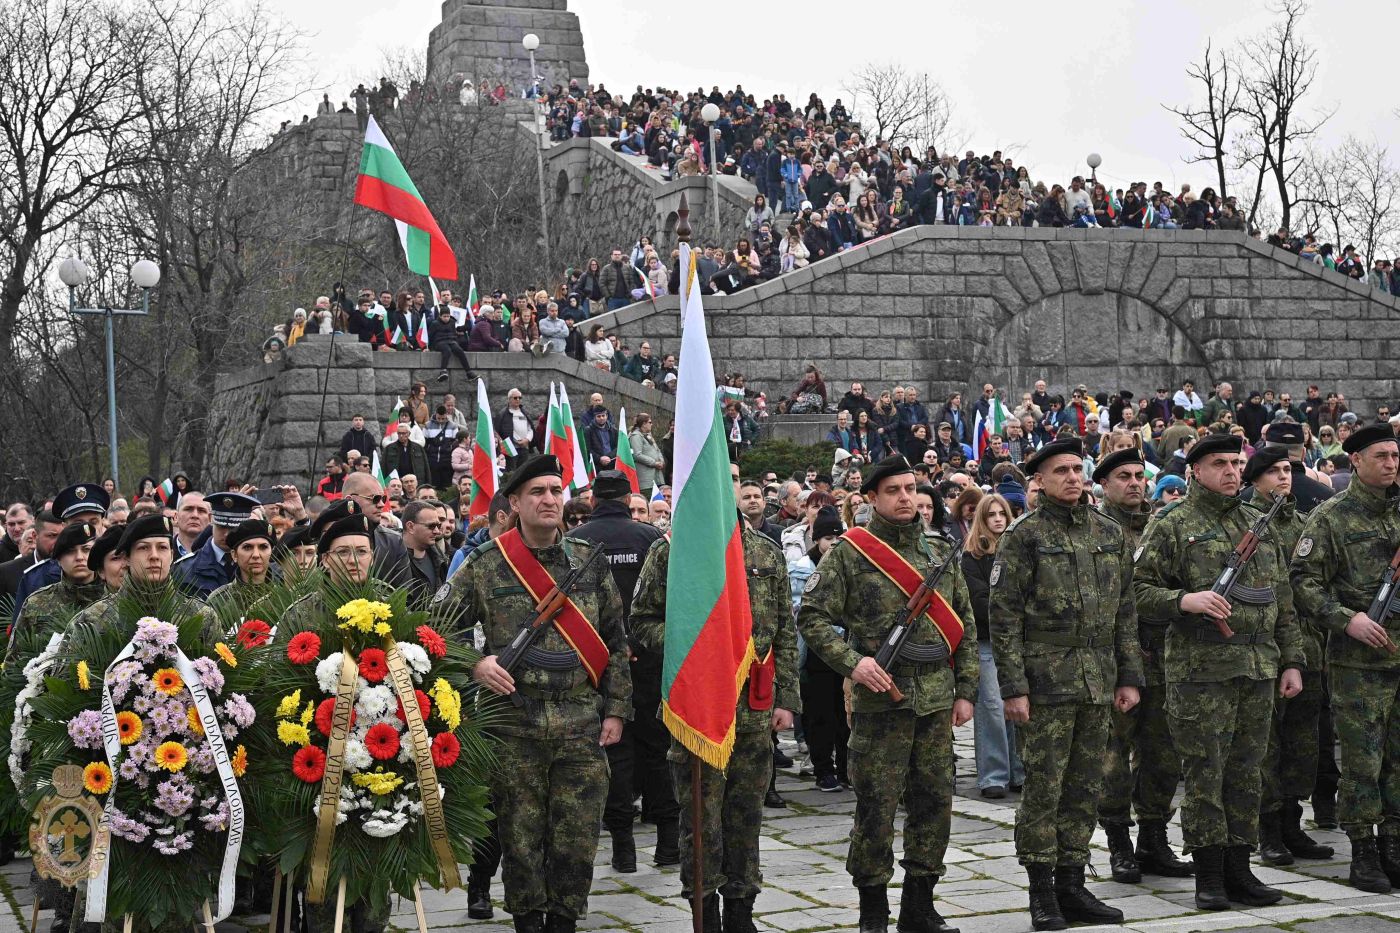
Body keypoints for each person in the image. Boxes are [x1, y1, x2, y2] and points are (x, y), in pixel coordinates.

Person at [433, 455, 630, 933]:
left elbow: (616, 639)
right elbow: (436, 631)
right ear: (515, 503)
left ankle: (564, 920)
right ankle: (527, 919)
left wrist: (617, 709)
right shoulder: (486, 564)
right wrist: (475, 664)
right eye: (537, 492)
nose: (549, 499)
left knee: (577, 837)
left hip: (581, 723)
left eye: (555, 491)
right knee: (519, 839)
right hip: (513, 725)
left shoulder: (588, 561)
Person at [798, 455, 976, 933]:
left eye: (909, 489)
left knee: (934, 804)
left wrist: (966, 690)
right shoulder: (851, 554)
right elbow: (811, 616)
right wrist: (854, 663)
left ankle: (920, 905)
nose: (905, 498)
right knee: (876, 808)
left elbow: (964, 624)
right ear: (871, 498)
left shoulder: (939, 551)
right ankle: (873, 909)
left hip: (936, 701)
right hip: (880, 705)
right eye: (893, 490)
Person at [1134, 433, 1304, 911]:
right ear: (1195, 470)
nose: (1231, 472)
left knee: (1247, 773)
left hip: (1257, 668)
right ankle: (1208, 874)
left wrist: (1292, 661)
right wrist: (1184, 600)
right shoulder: (1172, 524)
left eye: (1235, 463)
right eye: (1219, 464)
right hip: (1200, 671)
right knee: (1205, 774)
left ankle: (1239, 868)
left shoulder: (1257, 523)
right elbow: (1137, 590)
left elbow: (1282, 600)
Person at [632, 462, 799, 933]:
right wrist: (694, 647)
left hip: (753, 711)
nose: (724, 485)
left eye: (733, 478)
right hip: (699, 709)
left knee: (746, 818)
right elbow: (641, 620)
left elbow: (784, 630)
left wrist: (787, 698)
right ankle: (704, 912)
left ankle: (742, 912)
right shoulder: (671, 550)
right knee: (700, 822)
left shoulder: (765, 551)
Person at [990, 438, 1144, 930]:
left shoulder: (1108, 532)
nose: (1073, 478)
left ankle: (1072, 883)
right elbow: (1005, 617)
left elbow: (1124, 611)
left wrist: (1129, 676)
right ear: (1039, 480)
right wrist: (1013, 687)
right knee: (1044, 788)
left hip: (1097, 678)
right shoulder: (1024, 536)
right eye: (1062, 471)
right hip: (1046, 682)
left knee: (1084, 785)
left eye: (1078, 469)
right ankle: (1041, 891)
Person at [1291, 422, 1400, 892]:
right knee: (1362, 761)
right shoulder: (1331, 516)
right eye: (1381, 456)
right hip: (1358, 661)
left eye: (1395, 456)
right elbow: (1303, 581)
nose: (1391, 465)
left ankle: (1393, 844)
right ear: (1354, 460)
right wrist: (1346, 619)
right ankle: (1363, 851)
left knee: (1398, 759)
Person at [1091, 448, 1193, 884]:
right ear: (1104, 484)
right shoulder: (1094, 529)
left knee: (1163, 754)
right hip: (1115, 662)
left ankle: (1154, 839)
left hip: (1163, 656)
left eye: (1139, 475)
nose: (1135, 483)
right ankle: (1119, 844)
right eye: (1124, 477)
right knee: (1112, 759)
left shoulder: (1162, 527)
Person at [565, 471, 669, 872]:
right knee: (658, 747)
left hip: (599, 661)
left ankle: (623, 846)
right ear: (628, 500)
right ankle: (668, 841)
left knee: (615, 750)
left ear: (593, 501)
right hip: (649, 657)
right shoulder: (650, 539)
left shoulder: (576, 542)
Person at [1241, 447, 1335, 867]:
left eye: (1287, 470)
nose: (1283, 477)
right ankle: (1268, 829)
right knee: (1267, 744)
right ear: (1255, 479)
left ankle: (1292, 822)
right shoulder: (1247, 524)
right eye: (1274, 471)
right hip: (1265, 648)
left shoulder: (1302, 524)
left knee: (1303, 741)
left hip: (1308, 647)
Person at [961, 494, 1023, 799]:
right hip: (986, 640)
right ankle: (993, 775)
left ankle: (1018, 770)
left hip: (1018, 640)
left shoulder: (1019, 551)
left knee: (1018, 705)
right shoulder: (971, 557)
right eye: (991, 514)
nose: (998, 519)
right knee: (992, 707)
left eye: (1002, 513)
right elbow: (978, 600)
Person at [172, 491, 258, 599]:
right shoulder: (183, 568)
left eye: (233, 529)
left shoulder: (258, 565)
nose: (226, 534)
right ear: (210, 519)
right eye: (221, 527)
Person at [205, 518, 277, 617]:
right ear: (234, 555)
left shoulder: (283, 597)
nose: (256, 555)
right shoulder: (219, 600)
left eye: (263, 547)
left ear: (271, 552)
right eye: (247, 547)